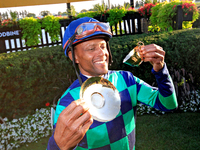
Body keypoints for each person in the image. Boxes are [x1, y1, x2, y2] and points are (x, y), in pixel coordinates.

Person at [47, 17, 178, 150]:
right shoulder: (67, 102)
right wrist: (57, 146)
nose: (102, 53)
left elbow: (168, 104)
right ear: (73, 56)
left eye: (103, 46)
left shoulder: (126, 79)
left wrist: (160, 70)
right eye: (91, 48)